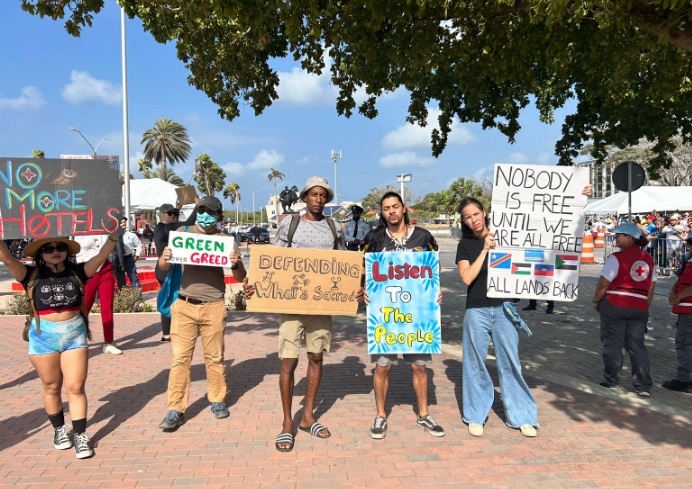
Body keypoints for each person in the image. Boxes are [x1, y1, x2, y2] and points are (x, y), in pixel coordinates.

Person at [247, 176, 345, 452]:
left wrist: (354, 290)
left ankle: (308, 416)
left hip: (321, 306)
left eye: (323, 195)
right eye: (314, 195)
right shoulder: (289, 225)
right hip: (291, 305)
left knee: (316, 357)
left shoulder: (335, 227)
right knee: (288, 361)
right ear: (305, 197)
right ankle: (287, 422)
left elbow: (343, 264)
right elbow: (273, 263)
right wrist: (255, 281)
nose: (318, 199)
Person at [0, 233, 119, 458]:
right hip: (43, 336)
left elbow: (103, 255)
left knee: (75, 387)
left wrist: (113, 235)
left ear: (67, 251)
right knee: (52, 387)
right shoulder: (29, 274)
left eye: (60, 247)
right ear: (39, 255)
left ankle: (81, 436)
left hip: (74, 335)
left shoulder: (78, 272)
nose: (55, 251)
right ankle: (59, 430)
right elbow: (6, 258)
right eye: (48, 248)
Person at [158, 196, 247, 431]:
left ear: (219, 215)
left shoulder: (226, 241)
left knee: (215, 358)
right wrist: (165, 257)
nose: (205, 214)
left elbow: (239, 276)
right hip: (184, 305)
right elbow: (163, 267)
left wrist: (236, 263)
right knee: (180, 360)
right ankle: (175, 409)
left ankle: (217, 400)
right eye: (201, 210)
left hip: (214, 305)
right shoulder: (183, 232)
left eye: (210, 211)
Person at [362, 192, 445, 440]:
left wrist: (436, 290)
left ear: (404, 208)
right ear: (382, 212)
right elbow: (362, 270)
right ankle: (380, 415)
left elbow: (434, 267)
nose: (391, 212)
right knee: (382, 366)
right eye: (386, 208)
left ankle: (424, 413)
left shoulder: (424, 237)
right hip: (385, 315)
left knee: (419, 366)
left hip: (418, 314)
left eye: (395, 206)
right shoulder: (373, 239)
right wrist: (364, 291)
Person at [455, 196, 538, 438]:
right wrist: (484, 251)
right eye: (467, 217)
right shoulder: (465, 246)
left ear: (484, 212)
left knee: (511, 363)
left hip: (505, 309)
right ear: (464, 221)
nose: (473, 220)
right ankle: (475, 415)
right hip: (476, 310)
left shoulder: (509, 236)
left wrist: (578, 199)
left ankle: (522, 416)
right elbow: (467, 278)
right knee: (474, 364)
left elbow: (543, 231)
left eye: (476, 214)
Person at [592, 223, 656, 397]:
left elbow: (604, 283)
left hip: (615, 303)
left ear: (629, 237)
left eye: (619, 235)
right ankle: (643, 386)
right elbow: (651, 287)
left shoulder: (616, 258)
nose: (615, 238)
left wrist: (596, 300)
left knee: (613, 342)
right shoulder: (649, 259)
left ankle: (611, 380)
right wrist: (644, 306)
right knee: (637, 346)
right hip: (639, 306)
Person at [153, 203, 197, 342]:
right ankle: (170, 332)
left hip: (165, 267)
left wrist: (177, 208)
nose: (173, 216)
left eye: (175, 213)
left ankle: (167, 333)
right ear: (161, 213)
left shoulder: (161, 227)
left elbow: (175, 222)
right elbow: (188, 223)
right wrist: (197, 206)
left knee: (170, 298)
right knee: (171, 299)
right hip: (166, 268)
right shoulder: (165, 227)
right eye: (169, 213)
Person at [73, 235, 121, 355]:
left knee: (107, 306)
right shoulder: (78, 228)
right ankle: (78, 340)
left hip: (106, 268)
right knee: (84, 307)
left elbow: (112, 243)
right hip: (87, 268)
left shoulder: (105, 224)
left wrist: (117, 230)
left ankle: (108, 342)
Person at [664, 234, 692, 393]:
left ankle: (685, 380)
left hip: (689, 310)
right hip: (685, 308)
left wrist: (678, 296)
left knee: (685, 344)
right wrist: (673, 293)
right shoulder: (688, 259)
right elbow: (681, 280)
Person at [113, 218, 142, 290]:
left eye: (124, 223)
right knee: (120, 279)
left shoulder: (131, 235)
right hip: (118, 260)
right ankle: (124, 297)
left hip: (128, 259)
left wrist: (137, 255)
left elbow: (139, 245)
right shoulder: (113, 235)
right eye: (121, 223)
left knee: (133, 277)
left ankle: (137, 296)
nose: (123, 224)